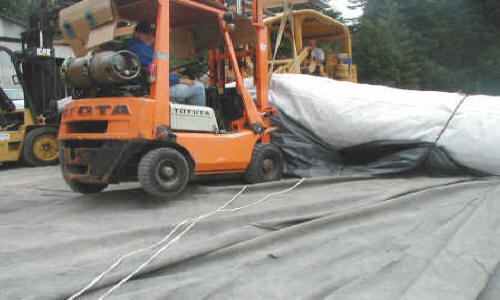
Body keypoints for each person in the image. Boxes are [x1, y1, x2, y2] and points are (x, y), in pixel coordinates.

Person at [124, 22, 206, 106]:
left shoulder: (130, 47)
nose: (151, 37)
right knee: (198, 87)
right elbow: (155, 72)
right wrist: (179, 80)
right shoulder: (140, 48)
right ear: (136, 33)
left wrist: (170, 74)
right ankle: (198, 119)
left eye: (153, 34)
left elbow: (150, 69)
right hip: (154, 88)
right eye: (147, 33)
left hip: (147, 84)